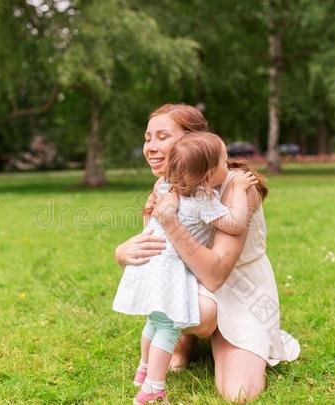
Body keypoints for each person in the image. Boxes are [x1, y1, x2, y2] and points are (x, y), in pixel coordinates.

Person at [115, 103, 300, 403]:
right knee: (185, 301)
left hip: (238, 285)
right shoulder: (165, 185)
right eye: (148, 137)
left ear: (194, 140)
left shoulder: (237, 185)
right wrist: (122, 252)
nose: (151, 147)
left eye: (162, 136)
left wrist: (171, 223)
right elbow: (156, 247)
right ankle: (183, 338)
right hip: (192, 280)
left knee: (239, 393)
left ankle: (200, 332)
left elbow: (215, 275)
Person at [113, 132, 259, 404]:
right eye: (224, 164)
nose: (229, 169)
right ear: (206, 176)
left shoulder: (165, 187)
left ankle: (143, 370)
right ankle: (152, 389)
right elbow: (236, 223)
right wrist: (237, 189)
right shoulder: (203, 199)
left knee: (154, 322)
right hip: (170, 271)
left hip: (151, 265)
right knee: (168, 326)